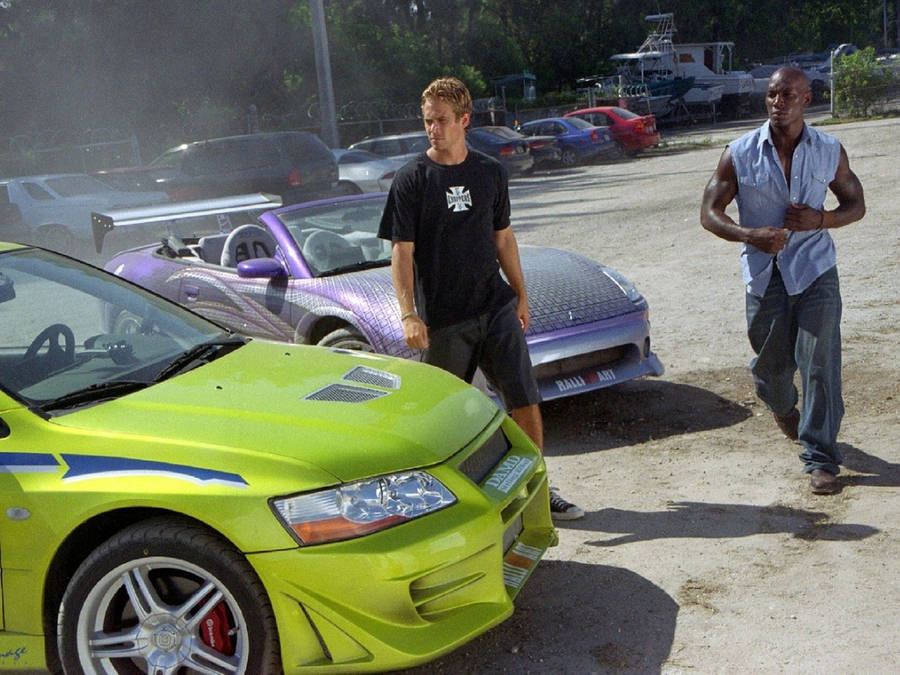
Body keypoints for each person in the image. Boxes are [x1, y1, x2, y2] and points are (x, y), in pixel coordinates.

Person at [378, 76, 584, 520]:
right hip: (444, 319)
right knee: (441, 415)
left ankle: (536, 489)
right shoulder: (412, 179)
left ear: (465, 120)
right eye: (428, 121)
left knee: (523, 397)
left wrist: (521, 295)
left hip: (494, 306)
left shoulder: (490, 172)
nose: (433, 129)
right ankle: (446, 504)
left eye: (441, 120)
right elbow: (401, 252)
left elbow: (503, 238)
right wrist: (408, 314)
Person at [700, 67, 865, 495]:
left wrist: (821, 219)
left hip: (815, 269)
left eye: (788, 95)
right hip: (764, 274)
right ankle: (783, 406)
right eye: (773, 94)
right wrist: (748, 234)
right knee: (772, 372)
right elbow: (709, 212)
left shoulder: (829, 150)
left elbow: (856, 204)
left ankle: (820, 459)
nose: (778, 102)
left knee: (820, 361)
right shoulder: (739, 153)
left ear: (806, 99)